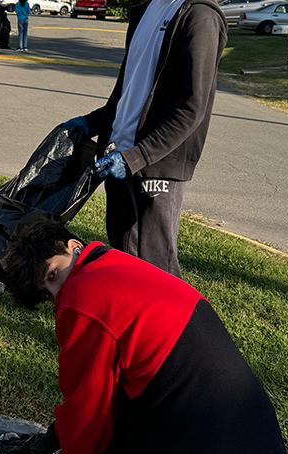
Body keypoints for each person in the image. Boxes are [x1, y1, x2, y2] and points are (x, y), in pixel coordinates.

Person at [0, 218, 287, 454]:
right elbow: (107, 393)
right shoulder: (112, 262)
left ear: (74, 246)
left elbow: (88, 407)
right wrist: (54, 438)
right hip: (256, 432)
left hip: (211, 443)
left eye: (52, 274)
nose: (56, 294)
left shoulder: (80, 298)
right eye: (45, 292)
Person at [63, 0, 227, 278]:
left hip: (155, 163)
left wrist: (137, 157)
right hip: (117, 154)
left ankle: (172, 322)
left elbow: (192, 108)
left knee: (156, 266)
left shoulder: (200, 15)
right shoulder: (145, 11)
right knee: (124, 256)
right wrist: (89, 123)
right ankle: (132, 321)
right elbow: (126, 94)